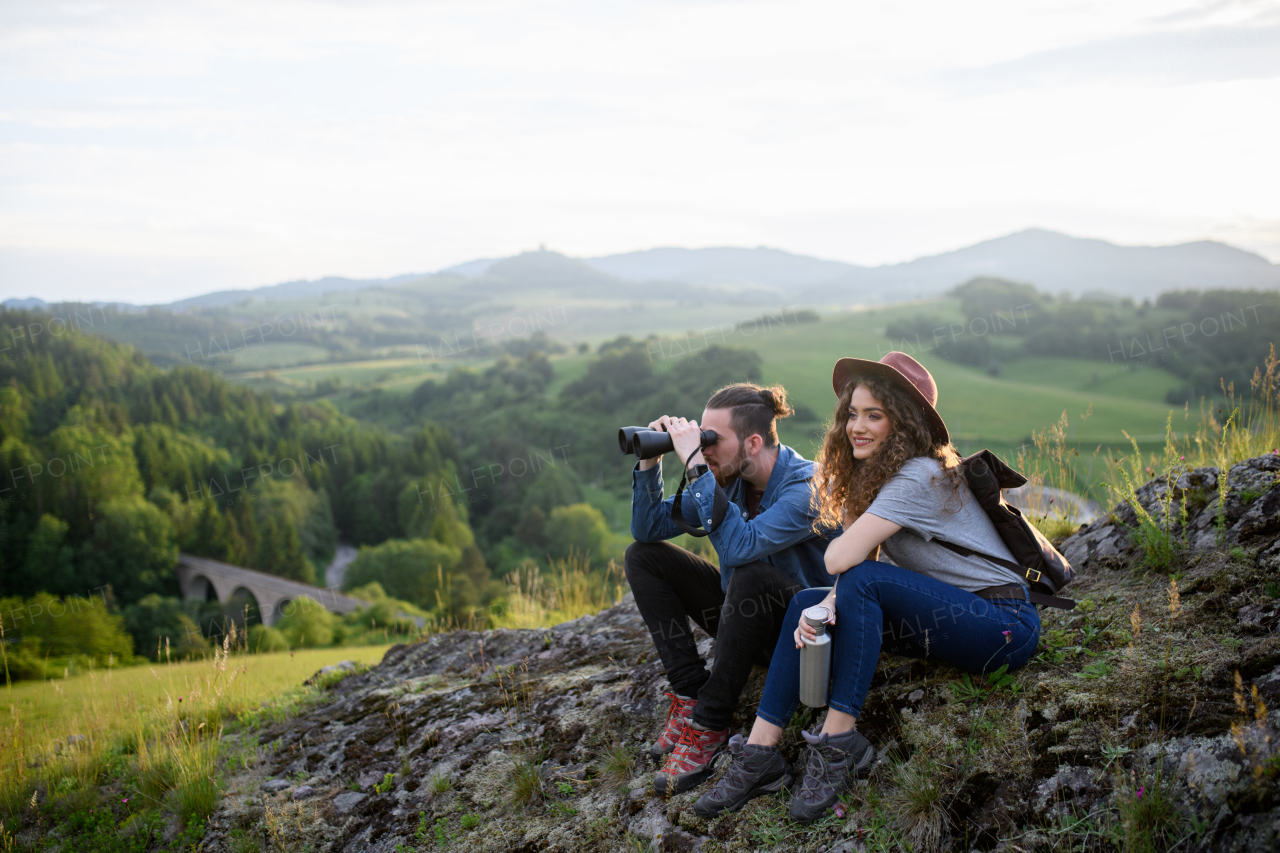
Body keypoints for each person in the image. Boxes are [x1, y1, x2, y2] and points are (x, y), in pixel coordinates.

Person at [692, 352, 1042, 822]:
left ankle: (840, 742)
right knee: (804, 603)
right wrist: (827, 606)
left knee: (859, 580)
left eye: (874, 416)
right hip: (944, 617)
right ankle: (761, 754)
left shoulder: (919, 474)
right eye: (853, 413)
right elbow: (854, 569)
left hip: (1003, 625)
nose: (857, 426)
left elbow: (842, 557)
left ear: (905, 424)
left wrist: (841, 588)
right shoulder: (876, 477)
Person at [627, 383, 837, 795]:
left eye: (711, 440)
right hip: (748, 626)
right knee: (643, 556)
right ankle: (689, 693)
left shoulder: (809, 487)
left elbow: (741, 549)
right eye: (699, 438)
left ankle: (710, 722)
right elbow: (648, 529)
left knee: (751, 574)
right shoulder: (727, 477)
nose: (702, 449)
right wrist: (652, 461)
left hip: (806, 641)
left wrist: (693, 466)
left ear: (753, 442)